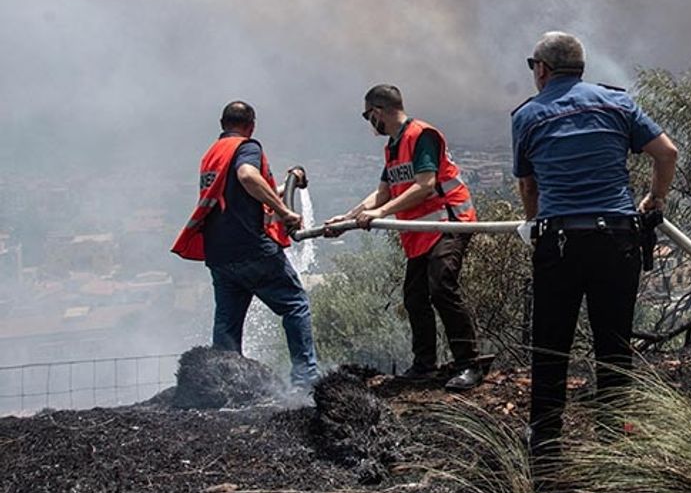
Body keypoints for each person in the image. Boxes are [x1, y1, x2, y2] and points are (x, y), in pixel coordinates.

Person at [511, 31, 678, 468]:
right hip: (616, 240)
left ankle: (545, 450)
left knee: (551, 346)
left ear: (542, 70)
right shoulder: (618, 104)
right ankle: (615, 444)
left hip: (559, 242)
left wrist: (533, 223)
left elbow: (529, 184)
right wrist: (654, 200)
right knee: (614, 344)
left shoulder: (528, 116)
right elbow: (667, 153)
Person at [325, 84, 484, 392]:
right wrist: (347, 218)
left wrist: (381, 211)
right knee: (414, 298)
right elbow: (382, 193)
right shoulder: (394, 147)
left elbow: (425, 185)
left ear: (377, 111)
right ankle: (425, 365)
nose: (369, 123)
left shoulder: (421, 136)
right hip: (421, 234)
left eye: (367, 116)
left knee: (441, 287)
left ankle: (469, 364)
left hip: (449, 223)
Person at [172, 100, 320, 387]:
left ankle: (224, 385)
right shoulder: (246, 147)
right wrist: (286, 212)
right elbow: (248, 176)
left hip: (219, 254)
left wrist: (287, 186)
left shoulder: (212, 155)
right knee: (295, 305)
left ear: (221, 124)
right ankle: (305, 380)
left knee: (227, 325)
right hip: (253, 249)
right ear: (250, 126)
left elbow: (237, 196)